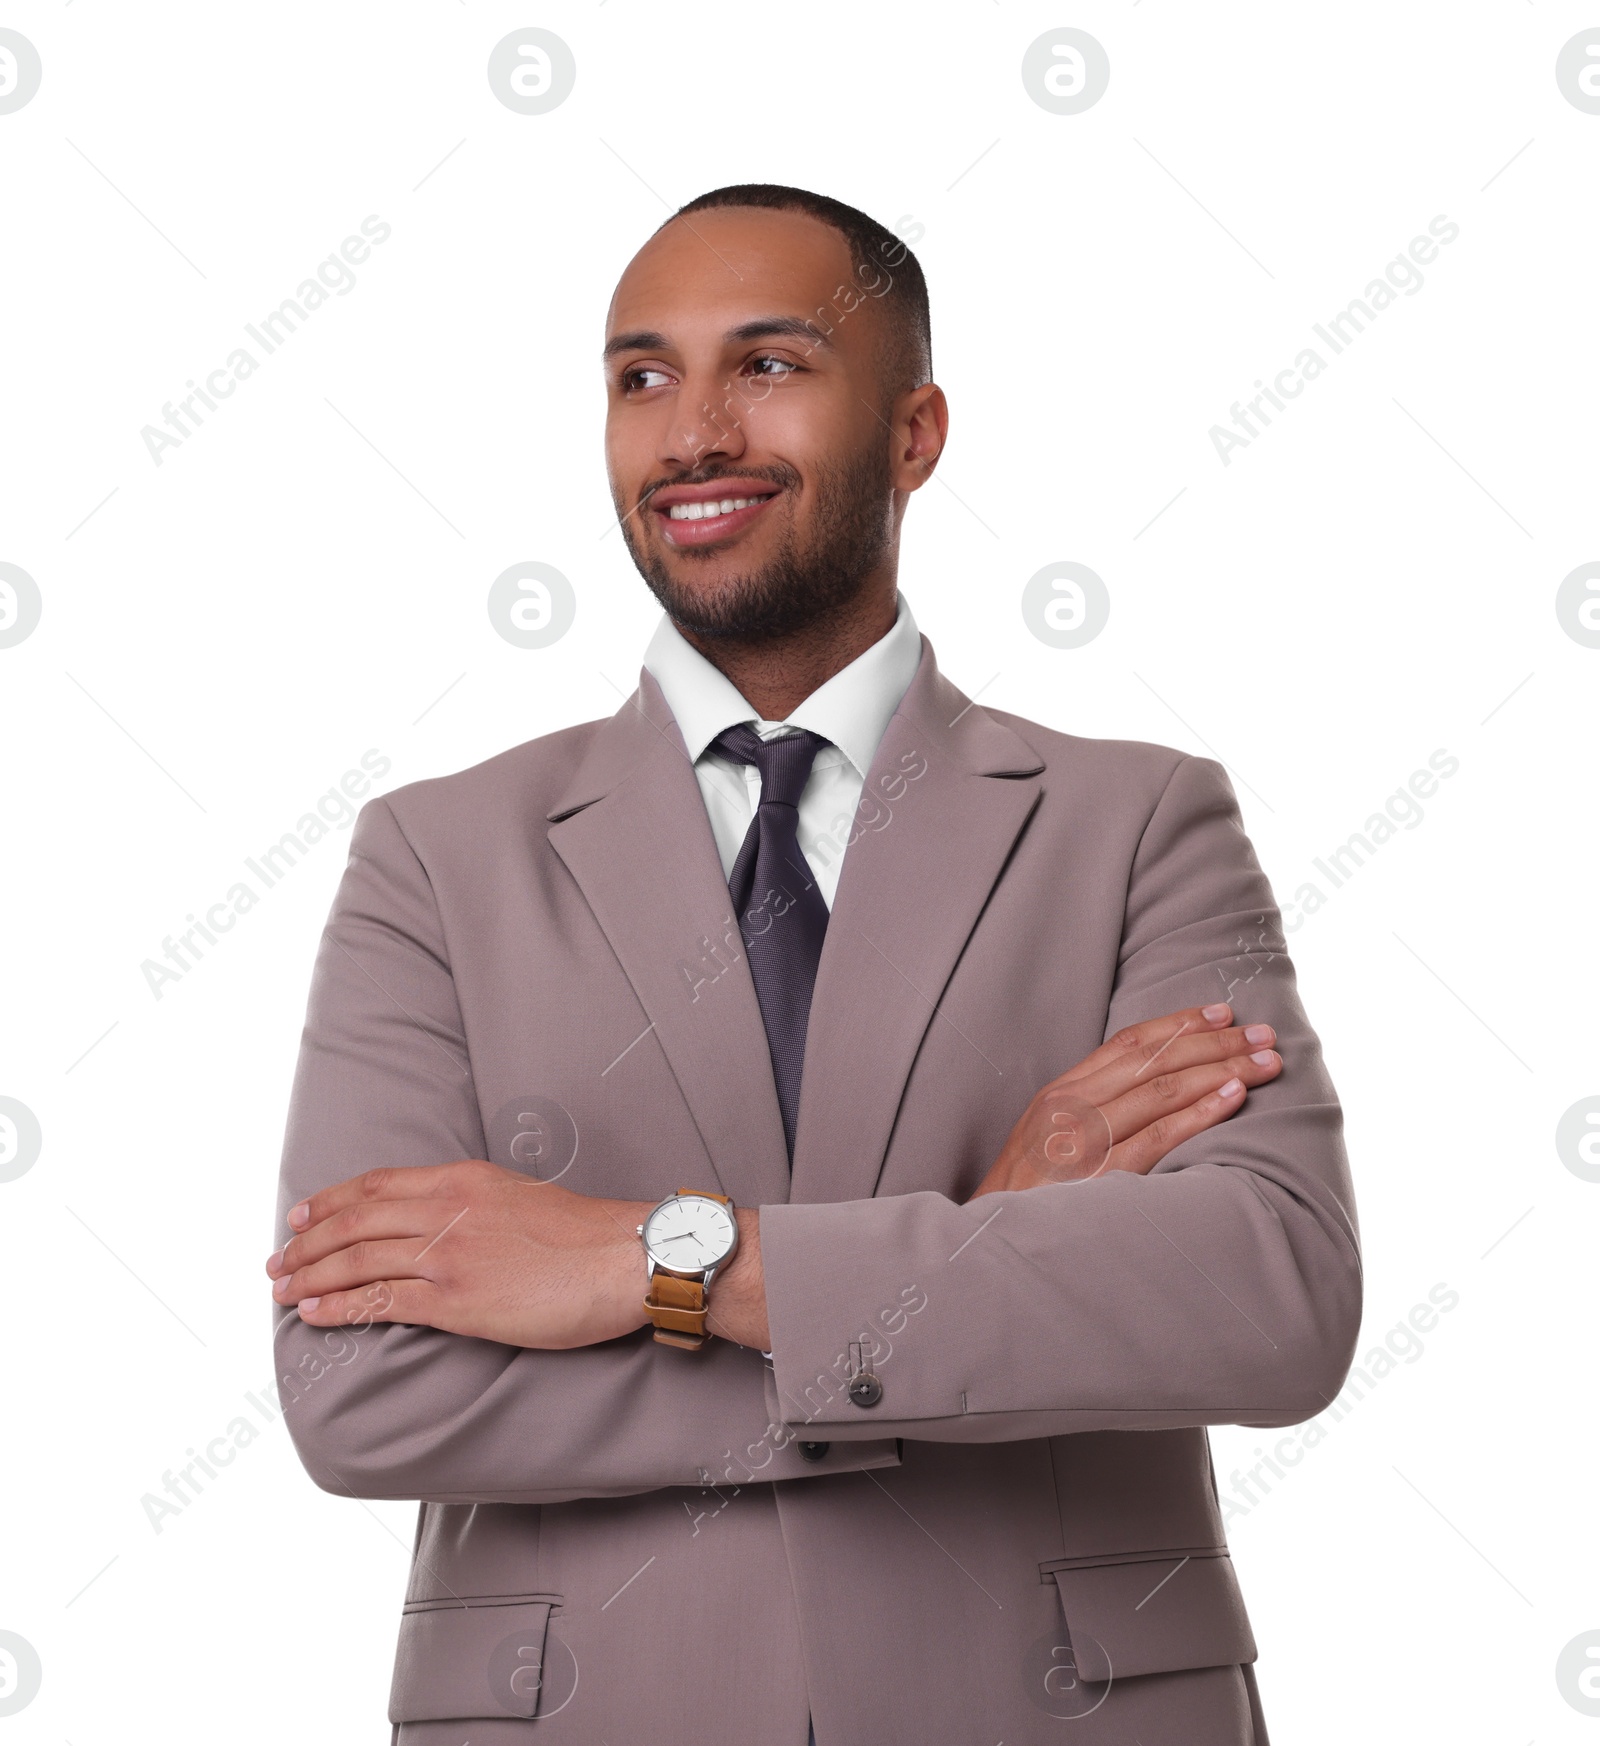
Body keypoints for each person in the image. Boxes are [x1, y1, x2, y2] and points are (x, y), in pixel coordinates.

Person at [267, 184, 1360, 1745]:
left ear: (914, 434)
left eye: (766, 365)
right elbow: (358, 1388)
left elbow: (1271, 1295)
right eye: (642, 377)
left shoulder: (1138, 820)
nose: (692, 431)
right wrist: (975, 1257)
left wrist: (642, 1260)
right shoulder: (435, 856)